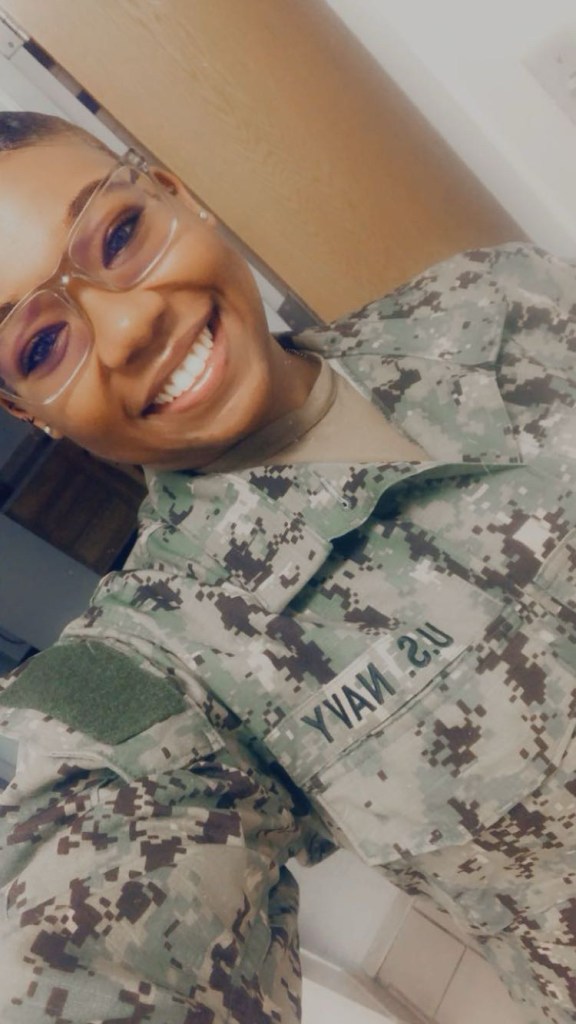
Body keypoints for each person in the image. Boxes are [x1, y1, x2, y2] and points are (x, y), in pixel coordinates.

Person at [0, 111, 574, 1024]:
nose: (132, 323)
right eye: (40, 346)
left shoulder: (500, 297)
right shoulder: (172, 657)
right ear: (29, 412)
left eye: (119, 233)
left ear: (177, 194)